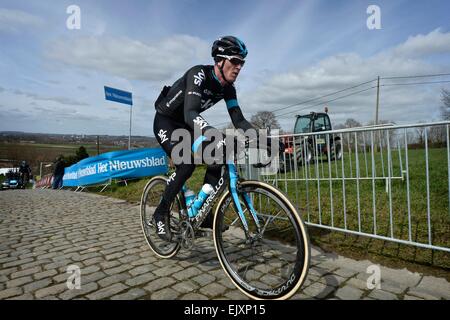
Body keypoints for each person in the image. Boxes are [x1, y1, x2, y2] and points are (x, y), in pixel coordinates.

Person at [152, 36, 282, 242]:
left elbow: (238, 119)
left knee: (219, 158)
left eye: (242, 63)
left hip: (188, 124)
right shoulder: (198, 75)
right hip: (167, 121)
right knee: (186, 164)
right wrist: (215, 135)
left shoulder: (228, 88)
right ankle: (160, 213)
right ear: (220, 60)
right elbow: (191, 113)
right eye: (235, 61)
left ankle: (202, 212)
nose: (239, 67)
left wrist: (262, 138)